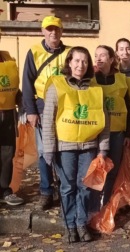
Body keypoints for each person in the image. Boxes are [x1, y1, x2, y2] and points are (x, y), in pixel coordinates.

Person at [42, 46, 110, 242]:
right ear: (69, 63)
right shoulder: (57, 86)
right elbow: (48, 119)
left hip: (88, 147)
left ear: (88, 65)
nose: (81, 64)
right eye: (77, 60)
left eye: (85, 61)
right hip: (64, 148)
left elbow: (105, 123)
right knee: (67, 188)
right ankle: (69, 226)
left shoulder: (96, 90)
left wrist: (103, 148)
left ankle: (82, 224)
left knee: (85, 187)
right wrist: (49, 148)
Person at [22, 16, 71, 210]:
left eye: (57, 29)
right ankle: (46, 192)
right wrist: (31, 111)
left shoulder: (69, 52)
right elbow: (26, 83)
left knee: (64, 150)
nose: (53, 33)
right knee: (44, 152)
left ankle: (64, 189)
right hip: (42, 107)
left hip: (65, 107)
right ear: (43, 31)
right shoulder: (34, 52)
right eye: (49, 29)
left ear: (61, 31)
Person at [92, 45, 130, 207]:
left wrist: (128, 133)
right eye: (96, 55)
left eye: (102, 55)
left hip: (117, 133)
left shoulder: (121, 79)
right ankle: (93, 203)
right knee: (96, 169)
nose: (98, 58)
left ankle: (106, 202)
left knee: (113, 170)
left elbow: (128, 107)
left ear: (111, 59)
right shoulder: (90, 80)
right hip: (96, 132)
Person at [0, 50, 24, 206]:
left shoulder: (8, 59)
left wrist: (22, 101)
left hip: (8, 113)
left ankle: (4, 190)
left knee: (7, 152)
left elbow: (14, 88)